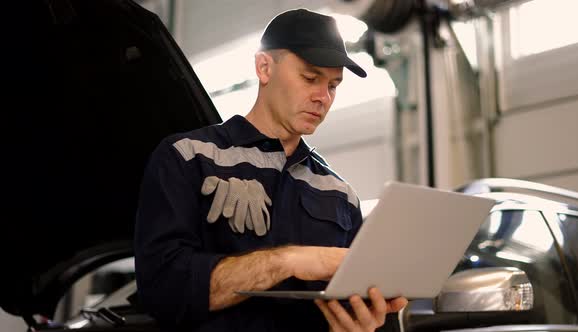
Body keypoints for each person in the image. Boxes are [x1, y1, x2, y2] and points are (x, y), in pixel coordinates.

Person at [134, 8, 408, 332]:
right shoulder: (189, 158)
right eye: (310, 78)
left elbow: (353, 302)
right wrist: (289, 261)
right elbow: (164, 289)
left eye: (333, 85)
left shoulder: (340, 195)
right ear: (265, 67)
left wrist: (367, 322)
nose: (323, 97)